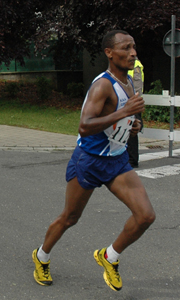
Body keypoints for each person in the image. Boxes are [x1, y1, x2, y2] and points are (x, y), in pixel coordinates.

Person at [32, 30, 155, 291]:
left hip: (117, 160)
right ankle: (41, 256)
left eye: (134, 47)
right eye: (126, 48)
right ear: (109, 53)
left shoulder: (131, 81)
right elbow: (85, 126)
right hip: (89, 160)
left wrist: (134, 124)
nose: (133, 53)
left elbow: (126, 118)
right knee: (70, 218)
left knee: (145, 216)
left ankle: (110, 256)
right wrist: (125, 111)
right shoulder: (103, 85)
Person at [127, 58, 144, 168]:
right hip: (130, 103)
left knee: (132, 131)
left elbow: (137, 88)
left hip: (132, 103)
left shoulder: (135, 65)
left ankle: (132, 160)